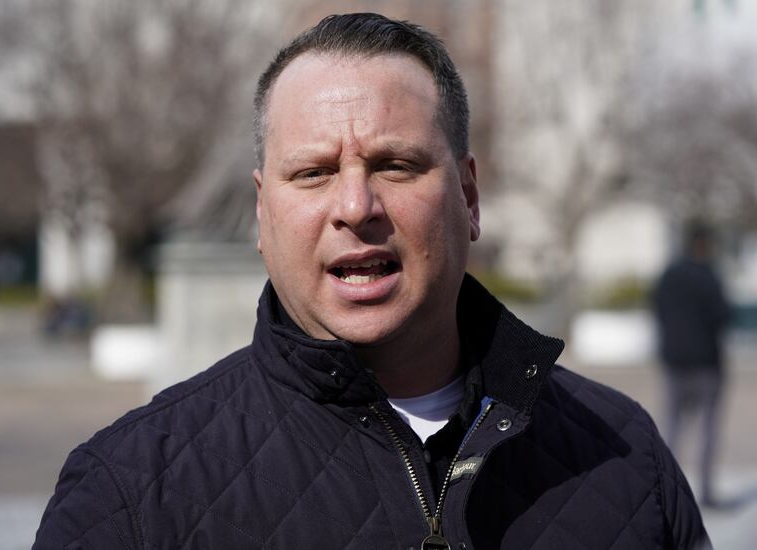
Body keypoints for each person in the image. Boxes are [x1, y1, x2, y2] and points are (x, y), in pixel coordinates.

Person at [34, 13, 709, 549]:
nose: (356, 207)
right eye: (314, 173)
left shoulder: (623, 457)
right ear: (262, 214)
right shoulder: (129, 490)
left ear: (469, 197)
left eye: (395, 165)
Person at [653, 222, 731, 508]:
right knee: (708, 431)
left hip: (674, 361)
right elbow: (723, 316)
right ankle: (707, 492)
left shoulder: (668, 275)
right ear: (704, 244)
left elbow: (658, 310)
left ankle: (666, 491)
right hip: (706, 364)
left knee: (672, 427)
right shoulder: (710, 276)